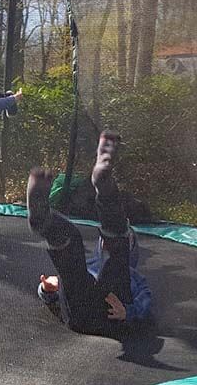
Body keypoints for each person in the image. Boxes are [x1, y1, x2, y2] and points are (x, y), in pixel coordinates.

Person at [27, 131, 152, 336]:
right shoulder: (91, 265)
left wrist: (128, 311)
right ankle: (43, 219)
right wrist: (49, 289)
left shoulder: (131, 273)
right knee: (73, 246)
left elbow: (145, 300)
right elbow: (58, 293)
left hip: (108, 316)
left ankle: (102, 180)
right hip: (83, 312)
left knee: (112, 254)